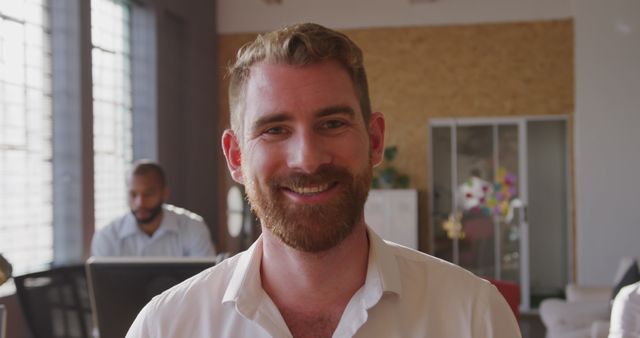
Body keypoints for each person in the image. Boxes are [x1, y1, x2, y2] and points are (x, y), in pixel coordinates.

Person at [126, 23, 521, 338]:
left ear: (376, 140)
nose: (308, 160)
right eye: (275, 130)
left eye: (332, 123)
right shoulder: (165, 327)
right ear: (236, 156)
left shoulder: (473, 318)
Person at [91, 160, 215, 257]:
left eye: (148, 194)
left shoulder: (194, 227)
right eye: (133, 194)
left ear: (164, 193)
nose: (140, 203)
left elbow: (205, 283)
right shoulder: (106, 236)